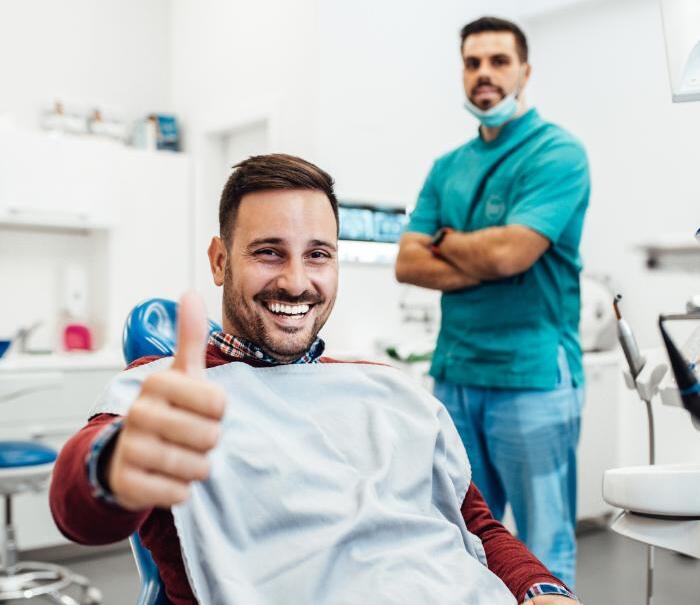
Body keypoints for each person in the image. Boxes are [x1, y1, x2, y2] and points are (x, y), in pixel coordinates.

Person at [50, 154, 581, 604]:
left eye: (318, 255)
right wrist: (118, 461)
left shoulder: (390, 390)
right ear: (219, 261)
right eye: (268, 252)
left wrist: (542, 590)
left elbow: (476, 528)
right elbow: (78, 509)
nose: (297, 281)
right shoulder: (165, 394)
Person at [395, 17, 589, 589]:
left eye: (499, 61)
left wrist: (449, 243)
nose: (484, 74)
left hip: (533, 378)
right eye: (473, 62)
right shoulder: (446, 167)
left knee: (542, 546)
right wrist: (484, 258)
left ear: (524, 71)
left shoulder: (558, 153)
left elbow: (512, 255)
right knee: (461, 538)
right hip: (455, 374)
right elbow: (407, 263)